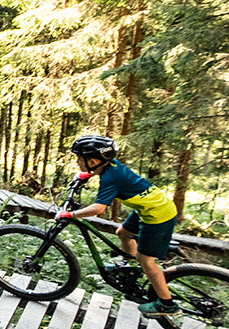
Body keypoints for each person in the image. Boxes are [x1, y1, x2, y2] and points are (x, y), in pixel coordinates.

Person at [54, 134, 183, 315]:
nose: (77, 162)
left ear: (93, 161)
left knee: (146, 260)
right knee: (123, 232)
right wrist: (86, 175)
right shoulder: (111, 166)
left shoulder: (110, 178)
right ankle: (129, 270)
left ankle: (167, 304)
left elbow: (99, 209)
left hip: (158, 215)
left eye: (79, 159)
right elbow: (104, 175)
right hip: (152, 206)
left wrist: (71, 214)